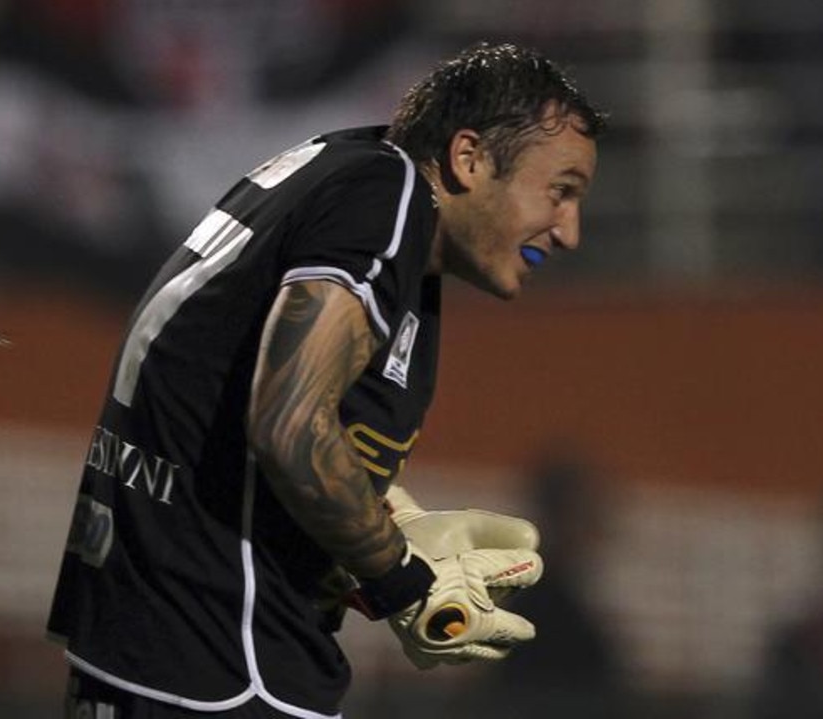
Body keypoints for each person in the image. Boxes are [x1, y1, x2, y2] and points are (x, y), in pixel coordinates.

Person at [47, 41, 606, 718]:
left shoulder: (350, 176)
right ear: (469, 158)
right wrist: (402, 579)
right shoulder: (386, 200)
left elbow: (247, 418)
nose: (570, 230)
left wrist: (397, 523)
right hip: (223, 667)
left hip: (159, 649)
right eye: (561, 191)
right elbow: (287, 424)